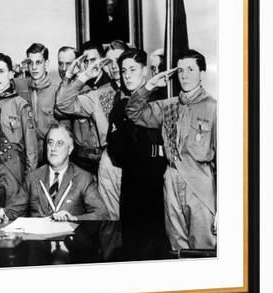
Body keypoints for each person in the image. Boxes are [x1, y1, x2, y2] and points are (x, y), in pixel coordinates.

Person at [125, 49, 217, 251]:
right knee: (176, 246)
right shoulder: (168, 106)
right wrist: (149, 85)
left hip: (200, 183)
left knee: (203, 247)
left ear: (202, 73)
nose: (184, 75)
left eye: (191, 69)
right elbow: (133, 112)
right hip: (171, 178)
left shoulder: (214, 108)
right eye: (181, 70)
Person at [107, 49, 169, 259]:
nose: (127, 75)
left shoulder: (161, 101)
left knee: (158, 245)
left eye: (133, 69)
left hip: (157, 184)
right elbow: (115, 149)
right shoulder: (119, 107)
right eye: (124, 70)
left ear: (145, 71)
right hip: (131, 183)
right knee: (132, 245)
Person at [55, 41, 121, 219]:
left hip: (109, 159)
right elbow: (59, 107)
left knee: (110, 213)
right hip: (83, 160)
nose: (91, 65)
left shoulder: (113, 87)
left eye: (94, 60)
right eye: (86, 61)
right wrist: (71, 78)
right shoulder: (80, 86)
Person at [0, 53, 38, 222]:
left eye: (2, 71)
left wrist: (30, 182)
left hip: (13, 172)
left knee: (14, 219)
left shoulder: (21, 105)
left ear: (10, 74)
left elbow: (32, 150)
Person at [23, 124, 109, 221]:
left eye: (59, 143)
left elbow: (102, 214)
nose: (53, 148)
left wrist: (73, 218)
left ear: (70, 149)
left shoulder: (83, 178)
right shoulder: (33, 177)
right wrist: (3, 213)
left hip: (69, 235)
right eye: (50, 143)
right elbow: (13, 211)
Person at [25, 43, 60, 164]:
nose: (34, 67)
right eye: (30, 63)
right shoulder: (22, 88)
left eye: (38, 62)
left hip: (51, 153)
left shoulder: (57, 90)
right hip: (29, 155)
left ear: (47, 64)